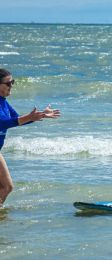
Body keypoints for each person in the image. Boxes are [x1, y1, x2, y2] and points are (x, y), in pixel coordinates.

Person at [0, 68, 61, 205]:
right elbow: (2, 124)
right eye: (8, 83)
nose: (12, 86)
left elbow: (18, 120)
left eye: (13, 82)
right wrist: (28, 117)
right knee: (6, 187)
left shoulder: (3, 102)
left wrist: (41, 115)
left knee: (7, 187)